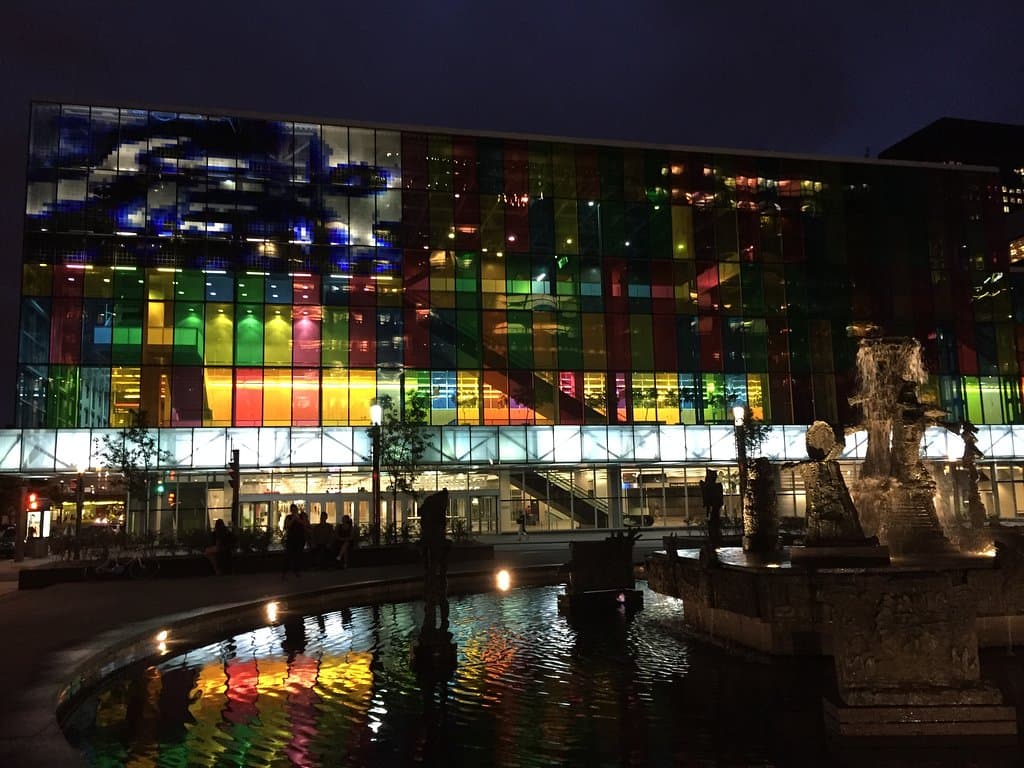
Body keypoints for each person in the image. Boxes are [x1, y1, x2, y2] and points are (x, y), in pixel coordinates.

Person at [282, 504, 307, 578]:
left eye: (295, 509)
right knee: (288, 555)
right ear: (291, 510)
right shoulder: (288, 517)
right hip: (291, 539)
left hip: (300, 539)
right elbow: (286, 526)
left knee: (298, 555)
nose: (294, 511)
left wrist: (298, 519)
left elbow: (305, 524)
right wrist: (293, 519)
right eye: (292, 510)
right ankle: (285, 571)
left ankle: (297, 571)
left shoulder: (301, 516)